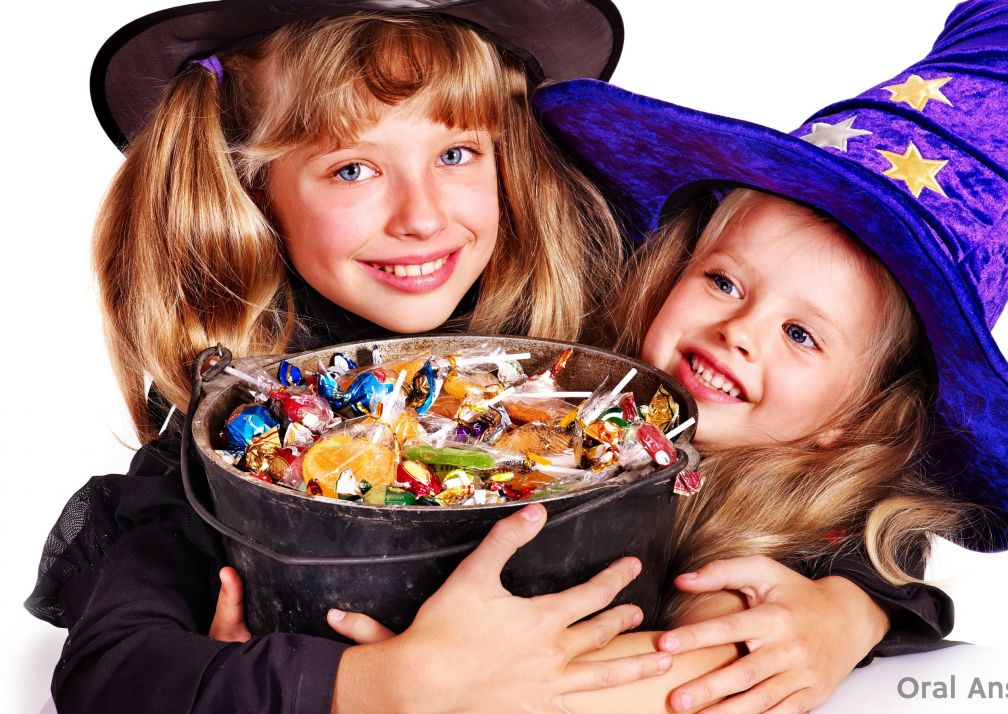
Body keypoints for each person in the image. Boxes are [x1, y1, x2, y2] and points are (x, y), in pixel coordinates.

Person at [328, 1, 1008, 711]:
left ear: (857, 415)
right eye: (724, 282)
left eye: (801, 334)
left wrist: (845, 611)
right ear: (674, 271)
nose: (740, 331)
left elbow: (708, 662)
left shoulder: (805, 538)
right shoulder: (559, 388)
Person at [26, 3, 677, 712]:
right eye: (354, 169)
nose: (422, 217)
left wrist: (775, 602)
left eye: (455, 154)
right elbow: (110, 673)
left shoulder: (608, 357)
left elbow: (760, 470)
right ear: (253, 191)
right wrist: (375, 687)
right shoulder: (242, 432)